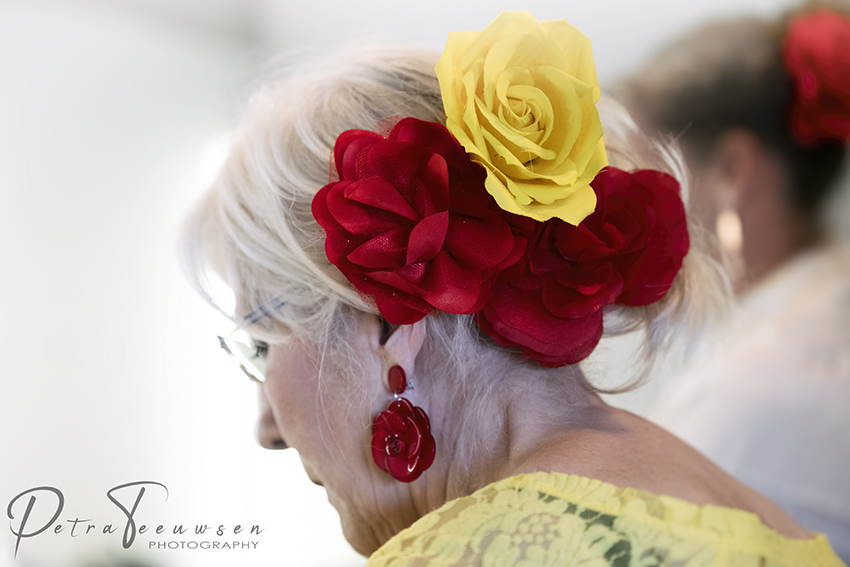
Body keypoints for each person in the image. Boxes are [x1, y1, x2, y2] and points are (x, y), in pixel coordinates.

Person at [181, 11, 846, 565]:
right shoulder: (760, 515)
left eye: (262, 346)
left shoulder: (473, 552)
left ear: (388, 326)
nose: (267, 429)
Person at [619, 3, 850, 560]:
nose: (628, 217)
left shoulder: (759, 389)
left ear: (732, 169)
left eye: (648, 175)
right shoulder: (819, 305)